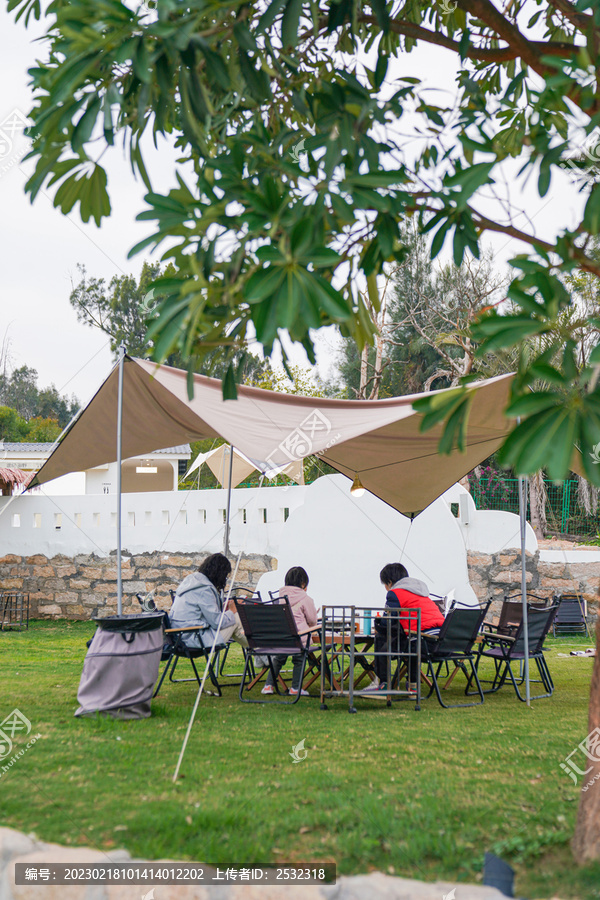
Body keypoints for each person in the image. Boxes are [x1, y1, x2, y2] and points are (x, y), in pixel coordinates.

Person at [367, 562, 445, 692]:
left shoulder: (395, 593)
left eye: (385, 585)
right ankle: (413, 685)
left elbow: (388, 623)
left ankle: (383, 684)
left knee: (381, 638)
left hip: (424, 645)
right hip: (444, 643)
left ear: (390, 582)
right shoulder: (422, 593)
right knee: (412, 638)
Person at [169, 552, 247, 651]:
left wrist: (223, 607)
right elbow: (216, 623)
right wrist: (231, 611)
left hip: (180, 637)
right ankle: (264, 654)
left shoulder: (192, 583)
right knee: (236, 618)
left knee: (236, 625)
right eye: (225, 576)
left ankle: (264, 655)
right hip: (194, 639)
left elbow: (200, 613)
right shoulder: (204, 590)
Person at [261, 566, 318, 697]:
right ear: (303, 583)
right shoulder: (305, 598)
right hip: (299, 638)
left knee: (279, 659)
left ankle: (268, 685)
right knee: (299, 658)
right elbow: (312, 620)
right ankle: (295, 688)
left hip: (282, 638)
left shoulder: (280, 596)